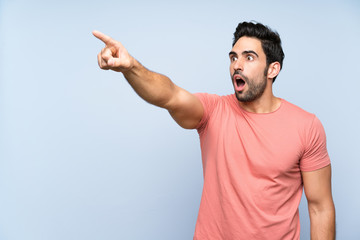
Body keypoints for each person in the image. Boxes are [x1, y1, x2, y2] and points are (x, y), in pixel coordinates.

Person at [93, 21, 335, 240]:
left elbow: (320, 207)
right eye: (233, 58)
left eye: (249, 58)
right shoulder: (213, 111)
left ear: (272, 69)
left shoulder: (306, 126)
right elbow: (170, 95)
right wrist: (130, 67)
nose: (237, 65)